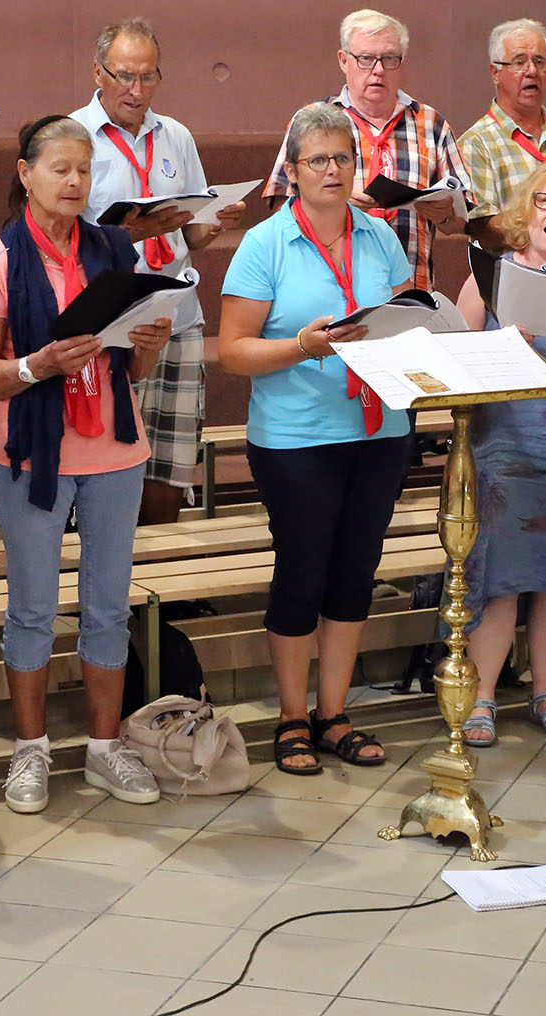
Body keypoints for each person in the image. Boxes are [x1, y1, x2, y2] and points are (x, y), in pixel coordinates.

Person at [0, 117, 173, 813]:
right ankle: (31, 752)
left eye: (84, 169)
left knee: (109, 608)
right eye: (60, 168)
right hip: (29, 453)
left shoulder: (114, 250)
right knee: (31, 609)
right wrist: (36, 365)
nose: (75, 181)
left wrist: (150, 341)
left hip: (114, 450)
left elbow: (133, 369)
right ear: (25, 174)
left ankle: (105, 750)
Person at [220, 102, 413, 775]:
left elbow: (406, 321)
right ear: (294, 171)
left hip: (379, 427)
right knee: (303, 571)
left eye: (344, 159)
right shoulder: (266, 243)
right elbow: (233, 352)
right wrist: (303, 348)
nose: (333, 171)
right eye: (319, 160)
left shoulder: (380, 238)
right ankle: (292, 715)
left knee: (356, 572)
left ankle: (335, 712)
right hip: (296, 438)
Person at [450, 160, 546, 746]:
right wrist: (499, 348)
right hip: (504, 456)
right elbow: (455, 367)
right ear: (526, 207)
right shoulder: (492, 276)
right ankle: (482, 697)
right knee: (499, 581)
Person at [69, 17, 247, 525]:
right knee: (109, 458)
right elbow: (62, 240)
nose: (137, 89)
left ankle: (164, 591)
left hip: (176, 311)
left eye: (148, 77)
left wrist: (215, 220)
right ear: (98, 73)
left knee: (171, 461)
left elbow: (189, 234)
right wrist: (132, 236)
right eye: (125, 76)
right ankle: (104, 593)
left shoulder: (176, 135)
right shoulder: (74, 138)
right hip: (111, 317)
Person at [262, 9, 474, 292]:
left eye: (389, 59)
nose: (378, 70)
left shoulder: (431, 124)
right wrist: (332, 202)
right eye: (366, 59)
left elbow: (463, 221)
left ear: (402, 64)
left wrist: (445, 216)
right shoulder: (312, 121)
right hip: (326, 291)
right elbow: (280, 210)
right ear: (343, 60)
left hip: (410, 292)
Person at [458, 18, 546, 254]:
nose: (532, 71)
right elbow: (481, 227)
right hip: (512, 279)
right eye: (519, 62)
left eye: (540, 61)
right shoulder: (477, 144)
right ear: (495, 73)